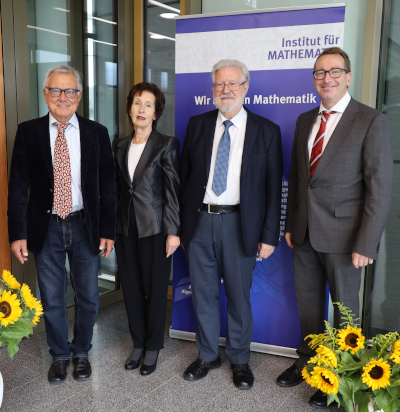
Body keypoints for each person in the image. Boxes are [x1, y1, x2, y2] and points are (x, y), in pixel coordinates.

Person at [276, 47, 393, 408]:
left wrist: (367, 243)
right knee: (308, 308)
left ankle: (340, 378)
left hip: (346, 240)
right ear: (314, 79)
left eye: (334, 71)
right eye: (320, 72)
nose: (326, 78)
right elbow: (299, 181)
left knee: (345, 315)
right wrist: (292, 225)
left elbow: (379, 188)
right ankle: (309, 363)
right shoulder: (303, 120)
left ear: (348, 76)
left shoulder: (370, 120)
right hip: (305, 234)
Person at [7, 66, 117, 384]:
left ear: (79, 97)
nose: (63, 97)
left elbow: (108, 185)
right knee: (52, 298)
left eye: (70, 91)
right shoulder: (29, 132)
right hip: (47, 227)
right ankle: (58, 354)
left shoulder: (96, 132)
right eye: (56, 90)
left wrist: (108, 229)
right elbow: (17, 187)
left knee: (89, 296)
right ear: (45, 94)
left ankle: (81, 351)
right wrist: (18, 234)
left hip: (85, 226)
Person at [180, 59, 283, 389]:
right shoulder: (197, 125)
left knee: (239, 297)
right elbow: (184, 180)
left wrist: (268, 236)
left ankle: (239, 359)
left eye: (232, 84)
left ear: (245, 87)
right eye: (219, 85)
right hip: (199, 223)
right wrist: (183, 228)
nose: (225, 90)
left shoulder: (266, 131)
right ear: (212, 89)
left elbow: (272, 189)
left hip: (241, 225)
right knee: (203, 296)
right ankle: (208, 355)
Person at [113, 83, 180, 376]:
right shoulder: (118, 145)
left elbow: (173, 192)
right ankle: (137, 344)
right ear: (130, 108)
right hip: (125, 229)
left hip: (155, 231)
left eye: (148, 105)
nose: (141, 109)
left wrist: (173, 231)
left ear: (156, 113)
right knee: (130, 289)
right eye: (137, 103)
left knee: (154, 291)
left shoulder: (166, 144)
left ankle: (152, 347)